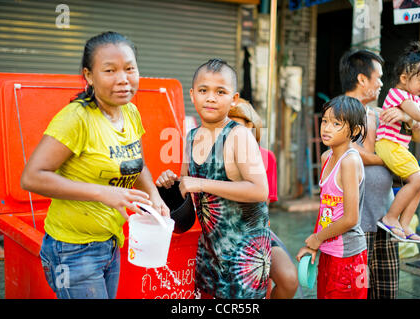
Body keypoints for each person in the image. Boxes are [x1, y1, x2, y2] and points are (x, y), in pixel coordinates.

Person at [20, 31, 169, 299]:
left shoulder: (130, 112)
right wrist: (104, 193)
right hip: (73, 249)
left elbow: (137, 164)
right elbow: (31, 177)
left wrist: (155, 197)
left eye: (129, 69)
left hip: (110, 242)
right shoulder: (76, 119)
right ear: (89, 75)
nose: (123, 79)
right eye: (110, 70)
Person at [155, 58, 271, 299]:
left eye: (220, 92)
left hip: (243, 259)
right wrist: (170, 183)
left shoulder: (238, 136)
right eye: (203, 90)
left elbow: (260, 190)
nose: (210, 97)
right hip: (209, 252)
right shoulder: (190, 137)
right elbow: (188, 186)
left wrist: (199, 184)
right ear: (192, 94)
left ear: (234, 99)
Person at [340, 48, 420, 298]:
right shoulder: (340, 110)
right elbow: (349, 149)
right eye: (378, 77)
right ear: (362, 79)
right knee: (359, 292)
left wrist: (407, 115)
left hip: (385, 219)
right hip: (356, 223)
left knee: (386, 292)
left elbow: (408, 139)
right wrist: (387, 160)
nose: (381, 84)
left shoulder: (376, 113)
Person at [296, 95, 368, 299]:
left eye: (336, 123)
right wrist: (314, 246)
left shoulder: (350, 161)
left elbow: (351, 218)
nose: (326, 128)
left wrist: (317, 239)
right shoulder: (326, 158)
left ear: (354, 131)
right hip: (329, 250)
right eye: (325, 121)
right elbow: (326, 210)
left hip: (349, 256)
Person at [228, 98, 298, 299]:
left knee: (289, 278)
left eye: (240, 128)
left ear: (252, 129)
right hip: (225, 235)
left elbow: (262, 206)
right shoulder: (215, 157)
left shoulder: (266, 158)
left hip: (258, 232)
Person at [375, 42, 420, 243]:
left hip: (398, 147)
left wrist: (408, 118)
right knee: (417, 180)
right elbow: (418, 116)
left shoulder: (412, 99)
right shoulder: (399, 94)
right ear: (403, 78)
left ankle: (405, 224)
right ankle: (390, 218)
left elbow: (419, 128)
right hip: (388, 144)